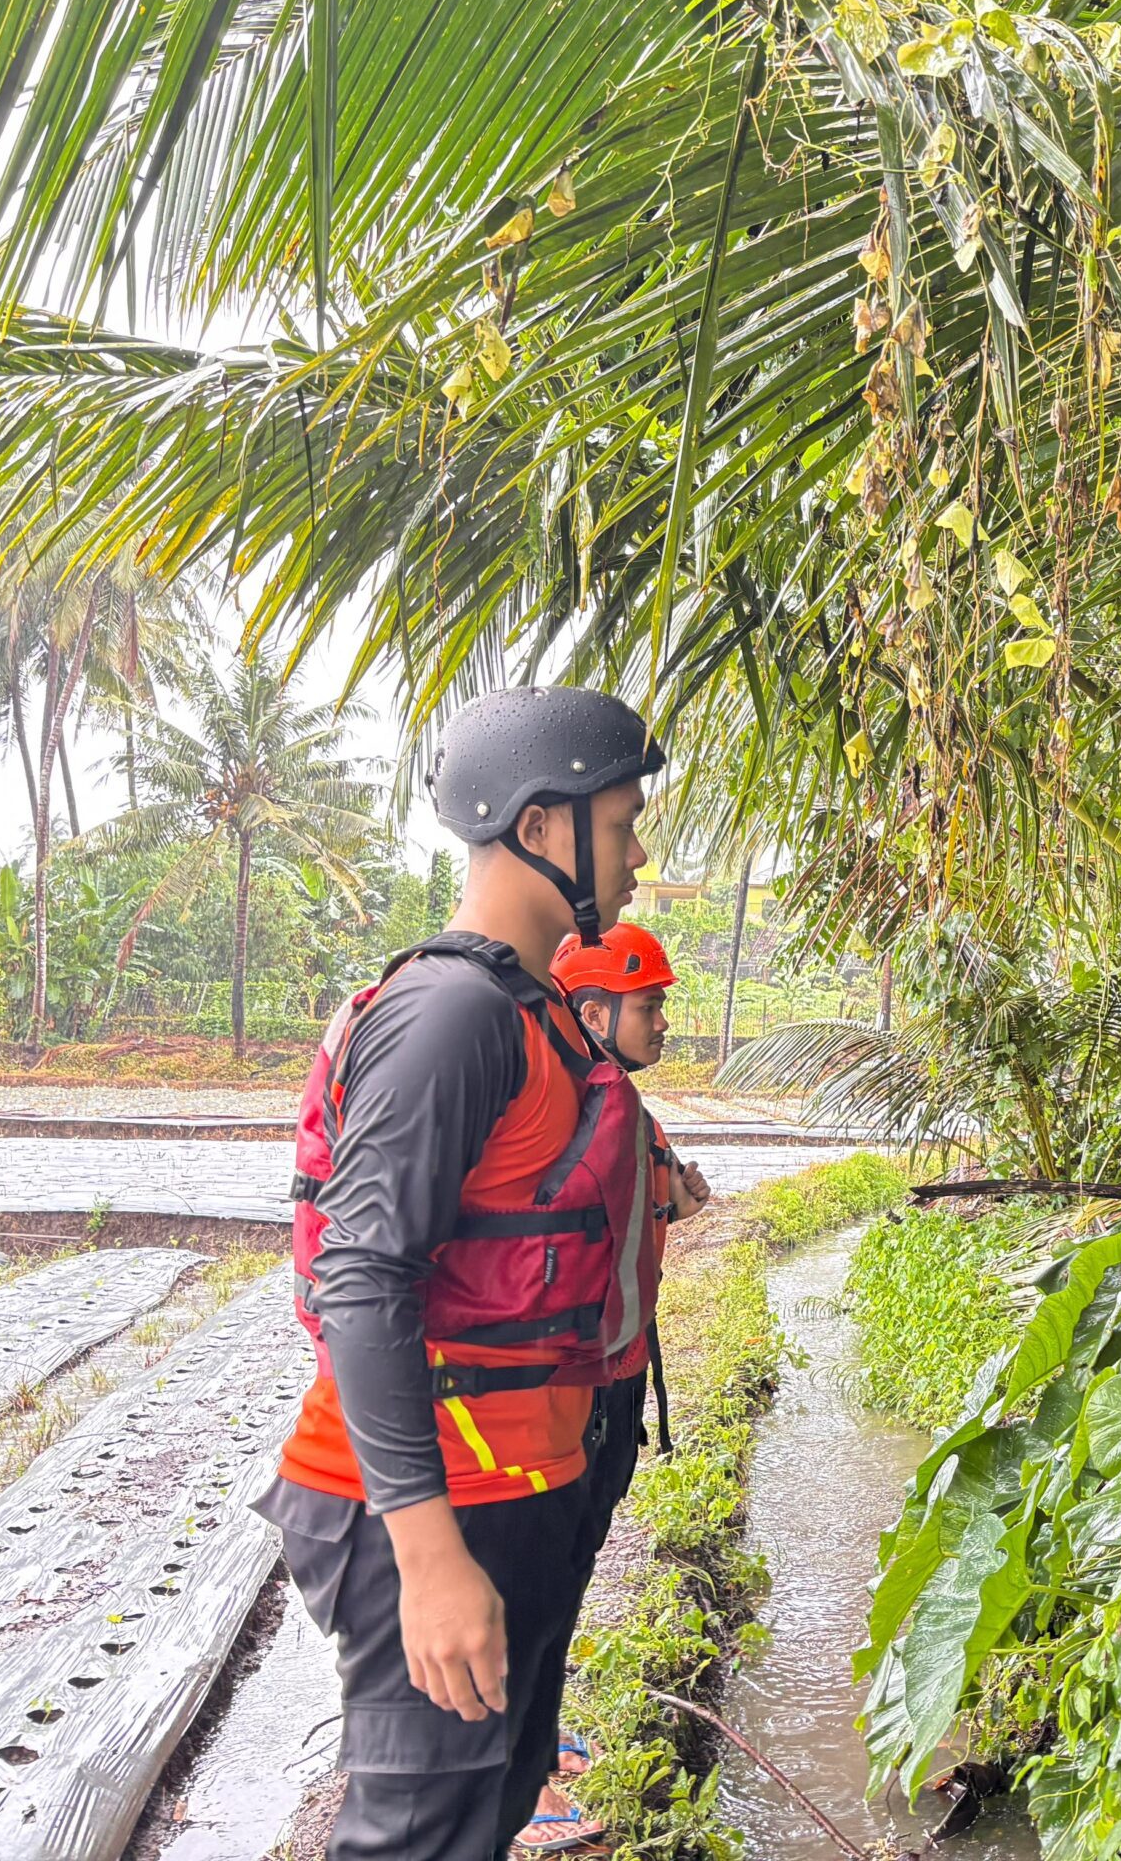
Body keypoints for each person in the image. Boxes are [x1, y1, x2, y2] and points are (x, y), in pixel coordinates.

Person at [253, 686, 667, 1861]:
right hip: (435, 1510)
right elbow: (364, 1277)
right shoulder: (452, 1017)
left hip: (520, 1485)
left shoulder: (535, 1013)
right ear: (541, 829)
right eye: (622, 823)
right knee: (420, 1838)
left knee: (490, 1804)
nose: (638, 854)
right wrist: (429, 1562)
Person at [517, 922, 713, 1854]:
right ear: (593, 1011)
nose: (663, 1019)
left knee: (572, 1567)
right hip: (575, 1389)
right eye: (651, 1004)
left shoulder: (618, 1102)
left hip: (615, 1379)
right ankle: (525, 1787)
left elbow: (674, 1194)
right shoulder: (571, 1106)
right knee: (540, 1579)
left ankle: (540, 1743)